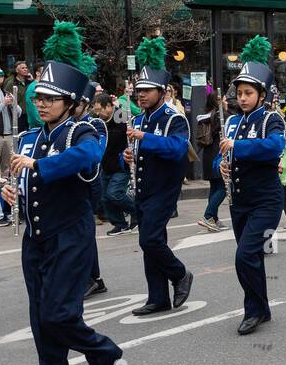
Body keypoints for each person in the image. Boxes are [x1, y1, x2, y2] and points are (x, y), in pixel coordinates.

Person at [3, 25, 123, 365]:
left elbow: (86, 160)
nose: (42, 103)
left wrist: (40, 166)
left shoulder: (83, 130)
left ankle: (103, 351)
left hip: (70, 234)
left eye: (51, 99)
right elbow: (21, 176)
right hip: (35, 237)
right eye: (39, 97)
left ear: (71, 102)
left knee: (60, 313)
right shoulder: (29, 137)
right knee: (40, 316)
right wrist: (10, 190)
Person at [216, 37, 286, 335]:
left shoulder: (272, 118)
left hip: (266, 199)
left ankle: (253, 311)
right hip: (239, 200)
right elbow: (222, 153)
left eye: (248, 93)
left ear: (261, 94)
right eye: (240, 93)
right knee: (252, 256)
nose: (242, 98)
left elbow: (273, 148)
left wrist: (238, 145)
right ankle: (262, 308)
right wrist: (219, 166)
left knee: (244, 255)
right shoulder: (232, 121)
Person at [124, 37, 193, 316]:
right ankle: (157, 297)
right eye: (138, 91)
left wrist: (146, 138)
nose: (140, 95)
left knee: (149, 240)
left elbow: (178, 150)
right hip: (142, 187)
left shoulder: (174, 118)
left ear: (162, 92)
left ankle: (180, 274)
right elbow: (133, 151)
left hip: (163, 189)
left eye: (146, 91)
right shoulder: (138, 119)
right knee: (152, 241)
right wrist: (125, 157)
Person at [90, 93, 136, 236]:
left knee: (114, 194)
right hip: (106, 164)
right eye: (96, 110)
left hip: (121, 164)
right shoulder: (98, 121)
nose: (98, 113)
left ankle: (138, 212)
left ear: (110, 106)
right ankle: (120, 224)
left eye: (100, 109)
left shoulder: (121, 117)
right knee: (104, 197)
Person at [78, 82, 108, 298]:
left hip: (90, 183)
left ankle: (93, 278)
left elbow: (96, 154)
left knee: (85, 232)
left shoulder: (94, 125)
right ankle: (91, 277)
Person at [195, 89, 226, 231]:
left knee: (214, 187)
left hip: (207, 155)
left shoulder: (204, 116)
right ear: (218, 101)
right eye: (223, 99)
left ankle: (214, 219)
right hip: (218, 155)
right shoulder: (221, 117)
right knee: (224, 187)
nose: (225, 102)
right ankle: (208, 216)